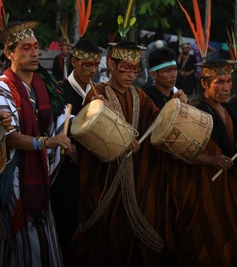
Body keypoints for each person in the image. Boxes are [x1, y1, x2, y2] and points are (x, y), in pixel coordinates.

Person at [67, 40, 167, 267]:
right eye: (125, 68)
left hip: (136, 178)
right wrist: (119, 138)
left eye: (135, 69)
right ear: (111, 65)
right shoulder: (97, 94)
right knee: (106, 238)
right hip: (105, 178)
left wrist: (175, 105)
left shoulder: (140, 95)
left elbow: (157, 120)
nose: (131, 74)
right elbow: (86, 135)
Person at [0, 20, 74, 267]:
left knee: (31, 247)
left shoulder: (42, 85)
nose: (34, 52)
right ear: (9, 53)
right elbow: (9, 137)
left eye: (35, 46)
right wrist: (46, 143)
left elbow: (59, 119)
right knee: (35, 248)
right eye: (25, 47)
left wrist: (76, 128)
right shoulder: (0, 88)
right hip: (14, 178)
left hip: (40, 176)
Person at [165, 59, 237, 266]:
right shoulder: (194, 111)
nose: (226, 87)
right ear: (205, 84)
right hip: (200, 188)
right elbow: (174, 152)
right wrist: (210, 159)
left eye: (228, 81)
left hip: (226, 188)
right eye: (219, 82)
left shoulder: (228, 110)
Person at [51, 36, 102, 263]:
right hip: (65, 173)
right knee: (66, 224)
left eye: (95, 65)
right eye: (86, 65)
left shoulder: (99, 92)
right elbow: (55, 126)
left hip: (92, 170)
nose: (91, 70)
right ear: (74, 62)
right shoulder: (58, 90)